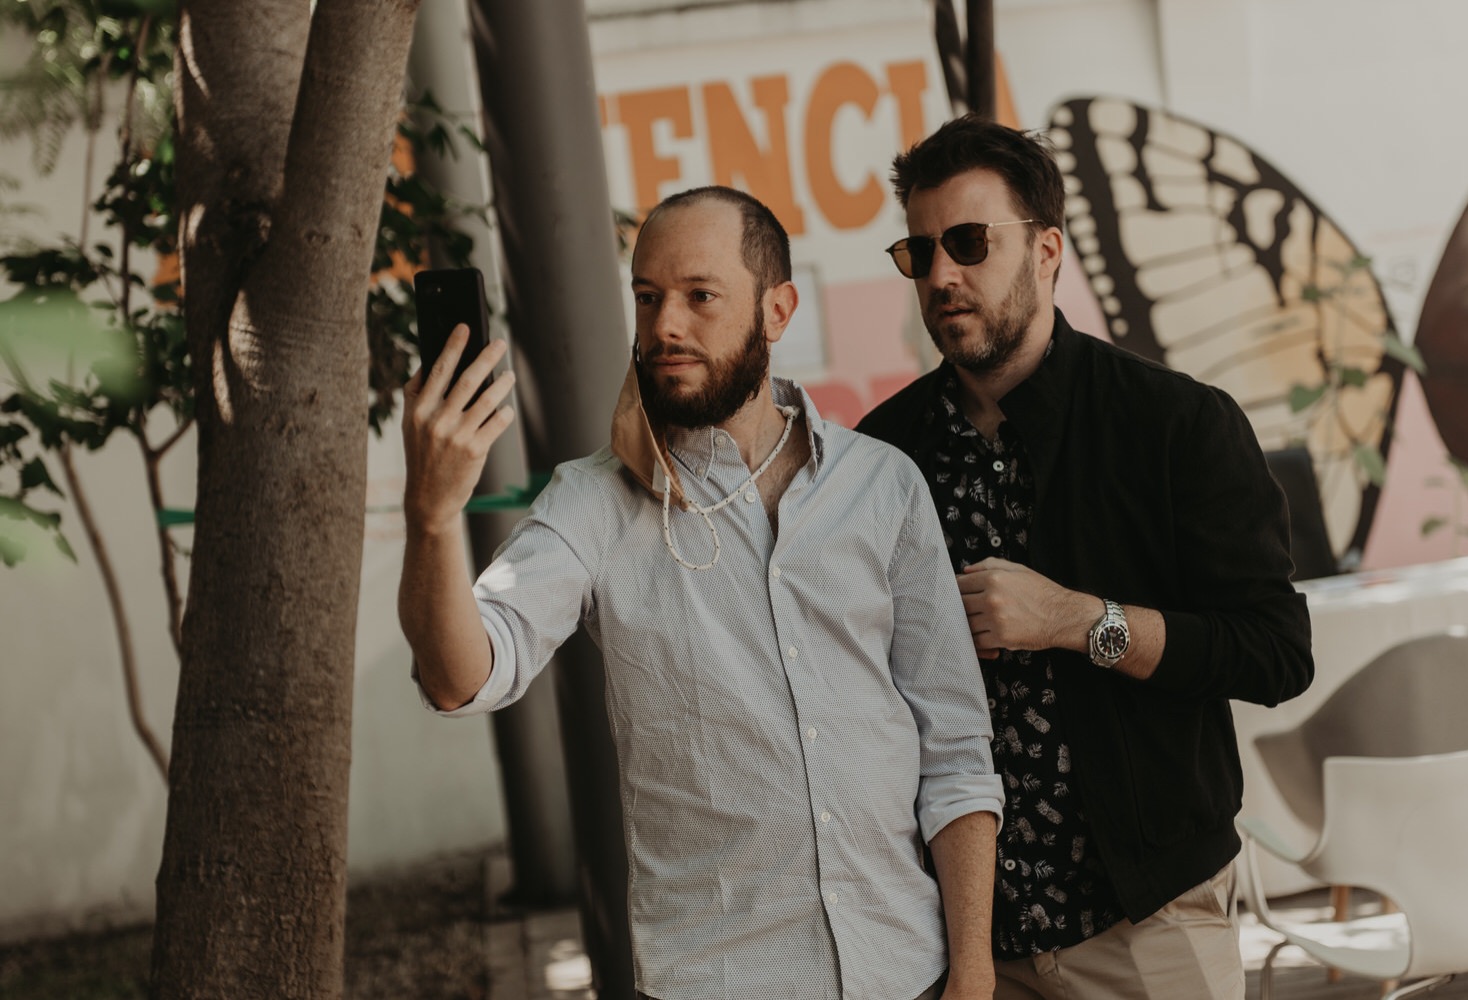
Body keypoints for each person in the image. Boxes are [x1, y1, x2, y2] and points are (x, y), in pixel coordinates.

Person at [398, 185, 1006, 1000]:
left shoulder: (882, 486)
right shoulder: (595, 503)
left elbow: (955, 749)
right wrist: (433, 517)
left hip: (910, 973)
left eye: (700, 296)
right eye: (648, 298)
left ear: (777, 311)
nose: (665, 327)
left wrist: (972, 972)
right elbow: (462, 675)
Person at [857, 116, 1314, 999]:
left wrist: (1079, 621)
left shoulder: (1177, 424)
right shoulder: (883, 455)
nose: (942, 275)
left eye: (969, 242)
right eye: (920, 252)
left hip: (1147, 923)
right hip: (958, 940)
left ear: (1048, 249)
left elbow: (1274, 653)